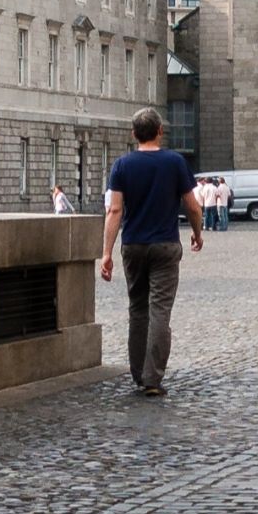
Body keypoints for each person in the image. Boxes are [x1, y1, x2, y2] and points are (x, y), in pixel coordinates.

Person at [100, 107, 202, 397]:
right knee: (160, 311)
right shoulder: (175, 162)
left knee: (137, 309)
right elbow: (192, 205)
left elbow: (114, 210)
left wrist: (106, 253)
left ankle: (137, 372)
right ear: (160, 131)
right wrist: (197, 233)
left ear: (134, 134)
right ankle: (152, 377)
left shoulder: (122, 165)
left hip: (133, 244)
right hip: (166, 244)